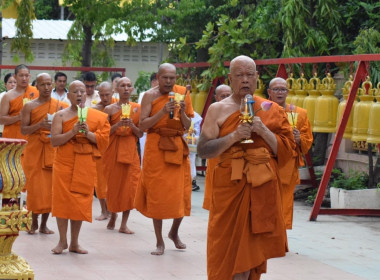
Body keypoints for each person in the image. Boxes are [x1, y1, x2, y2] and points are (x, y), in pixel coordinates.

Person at [197, 55, 295, 280]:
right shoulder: (217, 109)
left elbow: (287, 153)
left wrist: (264, 132)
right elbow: (204, 150)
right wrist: (233, 136)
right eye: (239, 75)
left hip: (260, 188)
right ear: (230, 78)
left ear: (257, 78)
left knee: (249, 258)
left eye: (250, 75)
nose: (245, 80)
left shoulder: (270, 109)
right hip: (229, 189)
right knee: (225, 251)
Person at [134, 63, 194, 255]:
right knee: (157, 194)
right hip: (156, 147)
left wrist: (182, 111)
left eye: (172, 78)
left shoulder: (183, 93)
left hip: (176, 146)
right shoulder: (149, 96)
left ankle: (174, 232)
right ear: (158, 78)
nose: (169, 82)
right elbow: (143, 125)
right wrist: (161, 111)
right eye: (165, 78)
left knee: (182, 194)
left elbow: (187, 125)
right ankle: (159, 241)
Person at [50, 80, 110, 254]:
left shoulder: (96, 116)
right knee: (62, 203)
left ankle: (75, 243)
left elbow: (104, 141)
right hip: (64, 163)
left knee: (79, 202)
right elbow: (54, 141)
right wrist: (73, 131)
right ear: (68, 95)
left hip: (84, 162)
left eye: (82, 91)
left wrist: (89, 133)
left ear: (88, 95)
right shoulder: (60, 116)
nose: (79, 95)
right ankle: (62, 241)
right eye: (75, 91)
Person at [20, 73, 69, 235]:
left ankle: (44, 224)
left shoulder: (60, 105)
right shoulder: (30, 106)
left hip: (51, 149)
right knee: (35, 188)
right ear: (37, 85)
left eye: (49, 84)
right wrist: (39, 125)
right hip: (34, 150)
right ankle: (33, 222)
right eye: (43, 84)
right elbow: (23, 129)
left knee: (49, 189)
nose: (47, 88)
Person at [267, 77, 313, 229]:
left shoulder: (299, 113)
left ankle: (281, 237)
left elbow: (308, 139)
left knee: (285, 201)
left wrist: (299, 139)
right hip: (266, 161)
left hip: (287, 165)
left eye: (283, 89)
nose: (280, 92)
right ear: (269, 92)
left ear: (287, 92)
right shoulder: (262, 110)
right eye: (276, 89)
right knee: (265, 199)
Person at [103, 77, 142, 233]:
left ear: (132, 89)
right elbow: (104, 132)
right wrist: (118, 125)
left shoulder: (137, 109)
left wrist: (132, 125)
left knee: (130, 187)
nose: (126, 88)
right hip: (113, 150)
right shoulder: (110, 110)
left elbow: (140, 134)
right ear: (116, 90)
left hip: (131, 151)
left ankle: (124, 223)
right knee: (114, 186)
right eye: (122, 86)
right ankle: (113, 214)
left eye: (128, 86)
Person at [202, 84, 232, 209]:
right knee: (215, 195)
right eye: (222, 96)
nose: (225, 98)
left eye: (228, 95)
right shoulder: (212, 112)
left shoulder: (239, 110)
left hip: (233, 157)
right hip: (216, 157)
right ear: (216, 98)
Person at [92, 82, 114, 221]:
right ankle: (104, 210)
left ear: (112, 93)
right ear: (98, 95)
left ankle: (113, 209)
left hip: (115, 147)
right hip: (100, 148)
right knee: (100, 182)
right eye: (102, 95)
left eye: (107, 94)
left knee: (113, 182)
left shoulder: (119, 106)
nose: (105, 97)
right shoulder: (95, 109)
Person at [0, 64, 39, 139]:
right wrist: (18, 117)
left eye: (26, 76)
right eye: (21, 75)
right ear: (15, 77)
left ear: (29, 76)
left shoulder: (37, 92)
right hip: (13, 138)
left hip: (32, 136)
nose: (24, 78)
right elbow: (1, 120)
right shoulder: (8, 96)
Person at [138, 72, 158, 166]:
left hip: (159, 131)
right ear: (153, 82)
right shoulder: (145, 95)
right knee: (145, 157)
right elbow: (142, 113)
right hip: (146, 130)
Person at [184, 111, 202, 191]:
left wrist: (193, 131)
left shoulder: (195, 116)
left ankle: (192, 181)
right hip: (179, 142)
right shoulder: (176, 111)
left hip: (190, 143)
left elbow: (197, 132)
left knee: (191, 161)